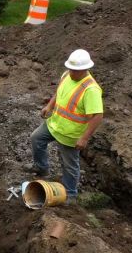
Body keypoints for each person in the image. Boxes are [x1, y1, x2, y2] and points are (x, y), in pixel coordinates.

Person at [25, 49, 103, 201]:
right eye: (71, 68)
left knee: (69, 165)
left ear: (85, 69)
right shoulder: (67, 75)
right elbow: (59, 91)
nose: (72, 72)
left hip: (70, 135)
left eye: (75, 70)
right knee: (36, 139)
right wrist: (49, 106)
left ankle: (70, 194)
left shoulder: (90, 89)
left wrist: (84, 138)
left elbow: (97, 116)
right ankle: (41, 168)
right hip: (54, 124)